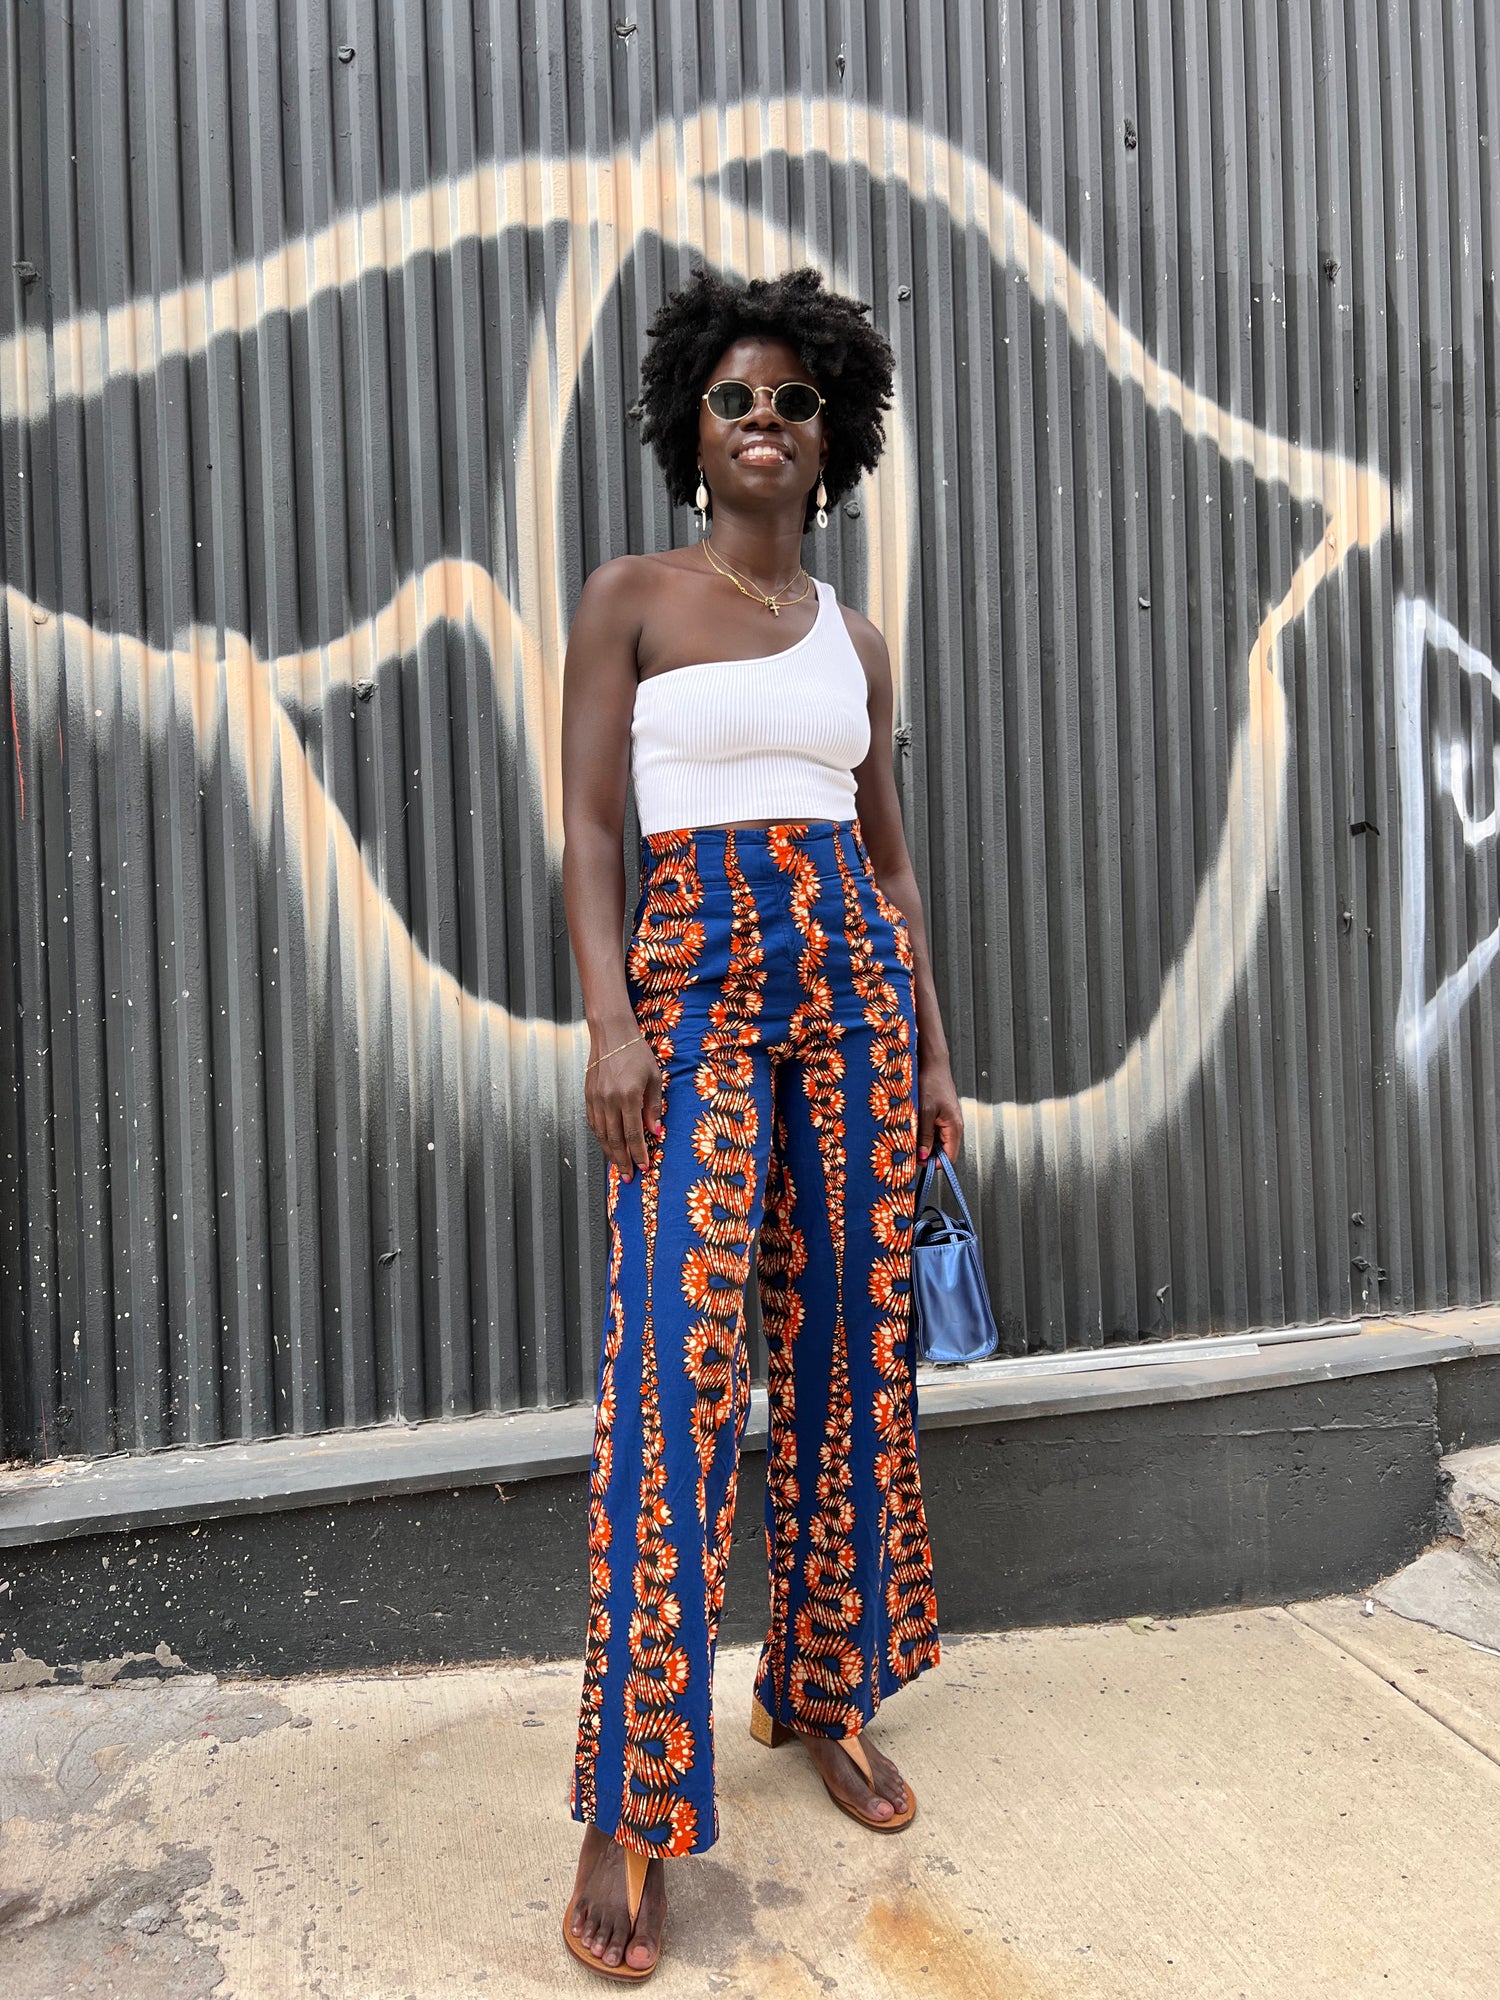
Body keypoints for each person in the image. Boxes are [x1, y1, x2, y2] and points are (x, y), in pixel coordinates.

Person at [559, 264, 963, 1981]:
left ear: (833, 432)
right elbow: (592, 833)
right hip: (696, 1001)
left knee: (852, 1353)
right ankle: (629, 1799)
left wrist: (932, 1055)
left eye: (798, 399)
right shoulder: (633, 601)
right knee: (675, 1378)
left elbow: (889, 860)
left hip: (855, 996)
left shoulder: (854, 640)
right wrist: (612, 1028)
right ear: (692, 426)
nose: (768, 421)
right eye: (737, 397)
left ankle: (823, 1688)